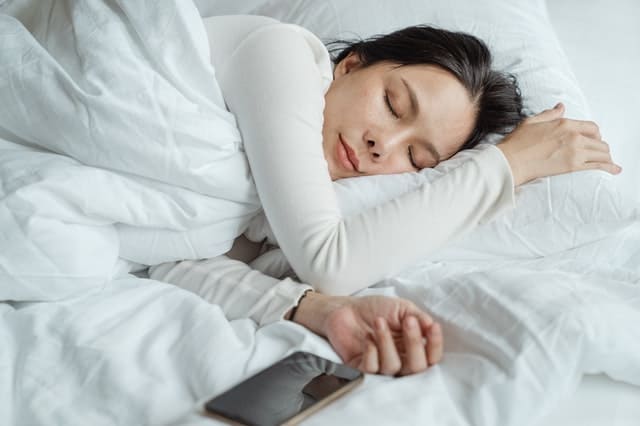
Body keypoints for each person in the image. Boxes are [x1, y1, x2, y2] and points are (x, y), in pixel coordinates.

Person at [150, 15, 621, 377]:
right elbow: (329, 262)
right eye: (393, 104)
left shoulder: (259, 207)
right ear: (350, 65)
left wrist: (317, 310)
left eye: (416, 158)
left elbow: (166, 261)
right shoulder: (280, 52)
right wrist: (508, 166)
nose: (383, 145)